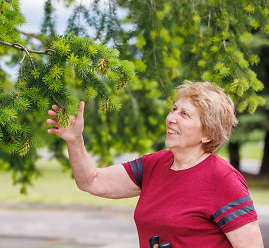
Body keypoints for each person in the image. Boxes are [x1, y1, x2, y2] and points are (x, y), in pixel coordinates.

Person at [47, 81, 264, 248]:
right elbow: (91, 181)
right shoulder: (154, 164)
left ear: (207, 133)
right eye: (174, 109)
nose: (171, 118)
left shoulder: (223, 179)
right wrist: (75, 140)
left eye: (185, 114)